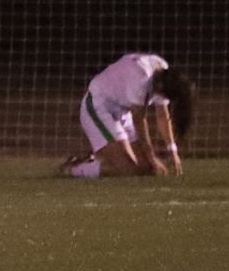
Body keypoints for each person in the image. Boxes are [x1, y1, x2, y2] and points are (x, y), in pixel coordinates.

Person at [59, 54, 194, 178]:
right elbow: (139, 120)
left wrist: (173, 151)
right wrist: (151, 156)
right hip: (99, 106)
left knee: (147, 169)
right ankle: (73, 168)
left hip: (122, 111)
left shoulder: (163, 72)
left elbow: (162, 115)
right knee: (128, 170)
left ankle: (94, 159)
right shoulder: (140, 77)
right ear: (160, 85)